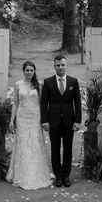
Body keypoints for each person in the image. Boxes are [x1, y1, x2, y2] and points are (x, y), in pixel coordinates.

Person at [6, 61, 53, 190]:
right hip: (22, 117)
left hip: (35, 117)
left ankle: (37, 172)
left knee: (35, 143)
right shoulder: (18, 84)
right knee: (23, 144)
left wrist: (44, 119)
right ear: (23, 71)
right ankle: (22, 173)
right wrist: (12, 120)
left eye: (31, 70)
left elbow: (43, 104)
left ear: (34, 71)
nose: (29, 72)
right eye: (27, 70)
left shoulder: (39, 85)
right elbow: (15, 103)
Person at [40, 55, 82, 187]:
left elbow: (78, 103)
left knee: (68, 149)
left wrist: (77, 121)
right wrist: (44, 121)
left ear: (66, 65)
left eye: (63, 65)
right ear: (54, 66)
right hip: (53, 121)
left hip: (69, 121)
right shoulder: (48, 82)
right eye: (58, 65)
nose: (60, 67)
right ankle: (58, 176)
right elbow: (43, 103)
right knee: (55, 149)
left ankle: (66, 176)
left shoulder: (73, 81)